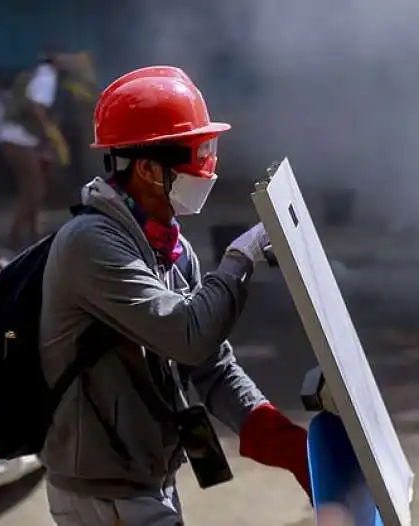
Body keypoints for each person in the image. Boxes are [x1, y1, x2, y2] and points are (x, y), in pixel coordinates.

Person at [40, 65, 310, 526]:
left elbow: (211, 365)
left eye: (209, 149)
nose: (208, 167)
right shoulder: (90, 244)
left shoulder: (168, 244)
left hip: (149, 480)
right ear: (146, 167)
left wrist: (291, 447)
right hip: (105, 496)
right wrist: (238, 260)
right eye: (197, 153)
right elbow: (188, 335)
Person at [0, 48, 67, 248]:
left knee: (30, 189)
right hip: (19, 139)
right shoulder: (47, 76)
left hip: (13, 138)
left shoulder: (34, 73)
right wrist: (49, 134)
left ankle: (31, 234)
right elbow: (37, 109)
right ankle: (16, 236)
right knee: (35, 189)